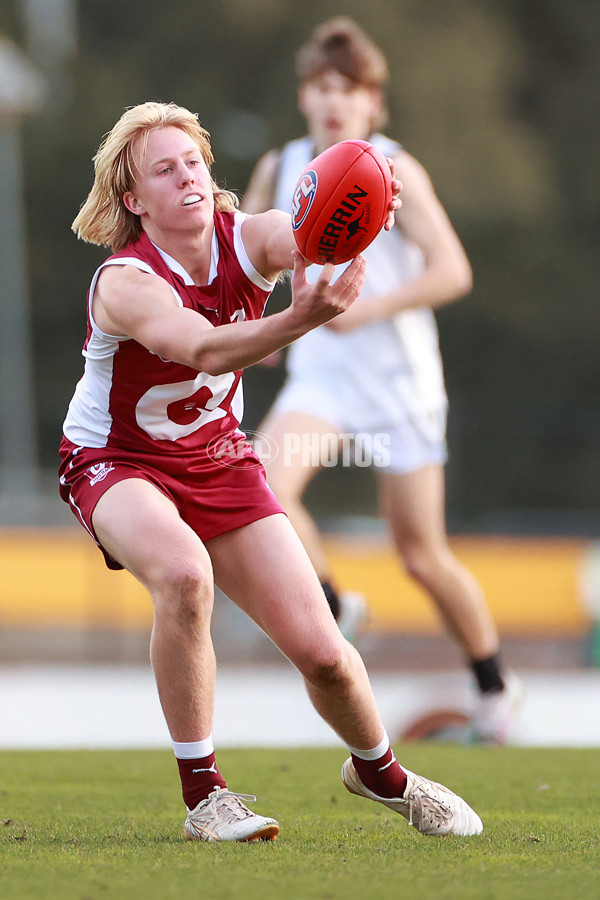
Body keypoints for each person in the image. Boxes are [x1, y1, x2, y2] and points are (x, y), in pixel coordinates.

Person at [58, 100, 483, 842]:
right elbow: (203, 350)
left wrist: (368, 199)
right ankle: (207, 797)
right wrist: (301, 319)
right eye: (165, 169)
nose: (187, 176)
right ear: (134, 200)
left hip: (218, 456)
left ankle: (381, 775)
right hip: (114, 459)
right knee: (186, 576)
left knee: (326, 659)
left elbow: (309, 234)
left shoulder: (247, 238)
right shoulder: (125, 282)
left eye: (193, 161)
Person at [242, 17, 522, 744]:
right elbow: (248, 262)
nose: (335, 101)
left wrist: (368, 309)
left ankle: (494, 684)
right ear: (304, 96)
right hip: (324, 376)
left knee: (420, 554)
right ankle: (335, 607)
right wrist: (257, 330)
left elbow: (453, 271)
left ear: (374, 104)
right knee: (263, 486)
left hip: (399, 382)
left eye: (351, 89)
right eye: (322, 86)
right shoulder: (281, 166)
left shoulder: (394, 168)